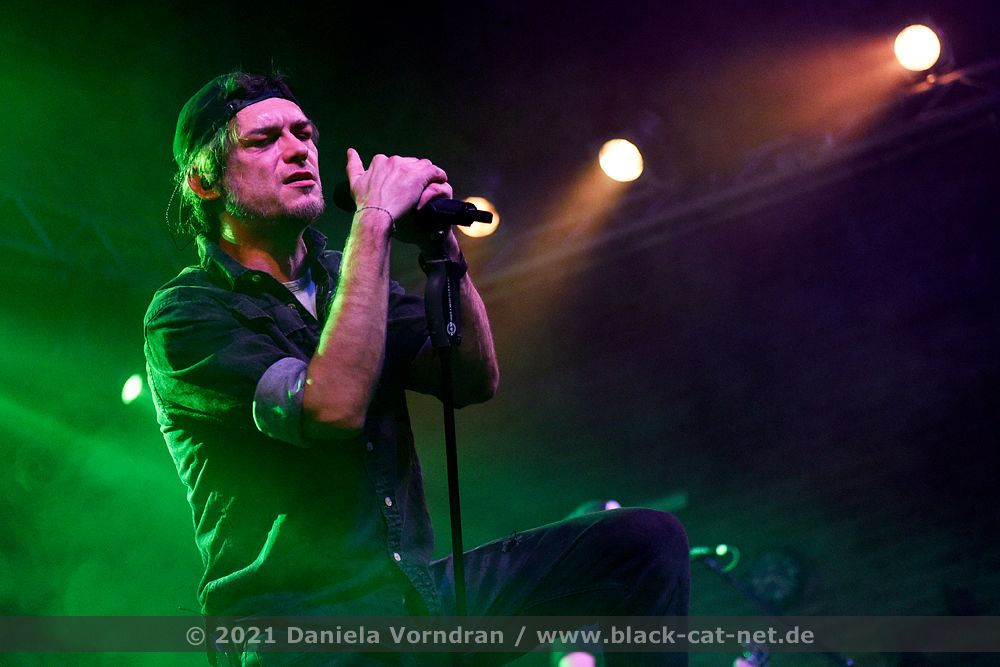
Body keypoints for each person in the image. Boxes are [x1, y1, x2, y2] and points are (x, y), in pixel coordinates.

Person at [144, 71, 690, 667]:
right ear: (204, 181)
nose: (298, 150)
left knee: (641, 543)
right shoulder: (187, 314)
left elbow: (471, 379)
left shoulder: (345, 277)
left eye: (304, 133)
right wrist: (375, 219)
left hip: (410, 599)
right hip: (302, 626)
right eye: (264, 139)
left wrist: (441, 246)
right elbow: (332, 408)